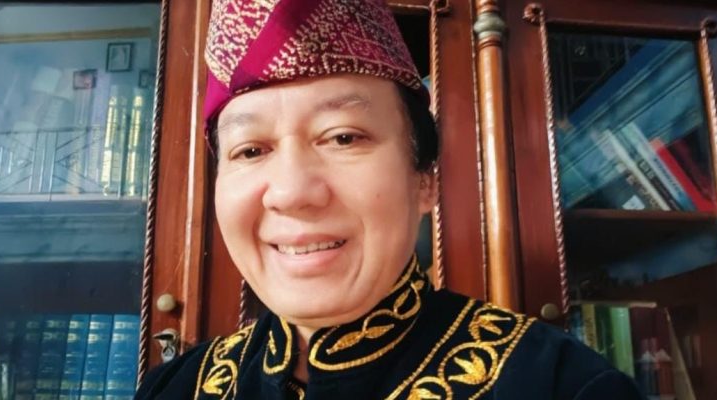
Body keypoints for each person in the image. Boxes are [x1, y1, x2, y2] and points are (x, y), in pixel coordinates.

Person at [135, 0, 645, 398]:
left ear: (425, 179)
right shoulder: (177, 387)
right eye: (250, 150)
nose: (291, 192)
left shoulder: (560, 385)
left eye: (343, 137)